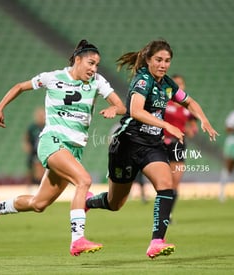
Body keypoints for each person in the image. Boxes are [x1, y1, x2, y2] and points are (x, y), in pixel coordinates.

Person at [0, 39, 126, 256]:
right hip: (52, 141)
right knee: (84, 180)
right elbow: (20, 86)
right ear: (78, 60)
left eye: (96, 65)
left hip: (73, 150)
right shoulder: (52, 78)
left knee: (39, 204)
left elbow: (122, 106)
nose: (93, 68)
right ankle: (77, 240)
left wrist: (114, 109)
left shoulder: (97, 81)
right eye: (90, 63)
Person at [86, 39, 218, 259]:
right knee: (115, 203)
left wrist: (203, 120)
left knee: (166, 185)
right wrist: (167, 125)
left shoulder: (167, 84)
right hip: (128, 143)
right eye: (158, 60)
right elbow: (135, 111)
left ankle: (157, 241)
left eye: (167, 60)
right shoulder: (142, 81)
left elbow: (189, 102)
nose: (163, 64)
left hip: (152, 145)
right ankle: (88, 202)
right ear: (148, 60)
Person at [163, 74, 198, 221]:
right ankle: (163, 213)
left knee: (175, 182)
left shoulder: (186, 107)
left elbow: (192, 126)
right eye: (175, 83)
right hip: (163, 143)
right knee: (166, 181)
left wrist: (191, 130)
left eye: (180, 84)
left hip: (179, 145)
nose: (178, 86)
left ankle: (168, 213)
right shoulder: (164, 102)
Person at [23, 107, 45, 188]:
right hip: (34, 151)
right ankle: (30, 185)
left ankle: (41, 185)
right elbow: (26, 137)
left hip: (44, 151)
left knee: (42, 169)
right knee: (31, 168)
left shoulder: (47, 126)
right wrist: (27, 146)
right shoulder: (32, 127)